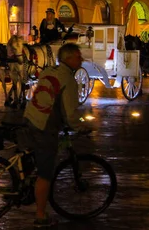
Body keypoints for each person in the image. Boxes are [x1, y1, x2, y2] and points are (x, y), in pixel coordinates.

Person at [21, 43, 91, 228]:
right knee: (45, 173)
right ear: (68, 59)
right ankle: (40, 216)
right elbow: (70, 112)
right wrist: (82, 126)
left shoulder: (49, 70)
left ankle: (26, 182)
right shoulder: (68, 79)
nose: (81, 59)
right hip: (44, 125)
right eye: (78, 56)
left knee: (33, 158)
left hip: (30, 117)